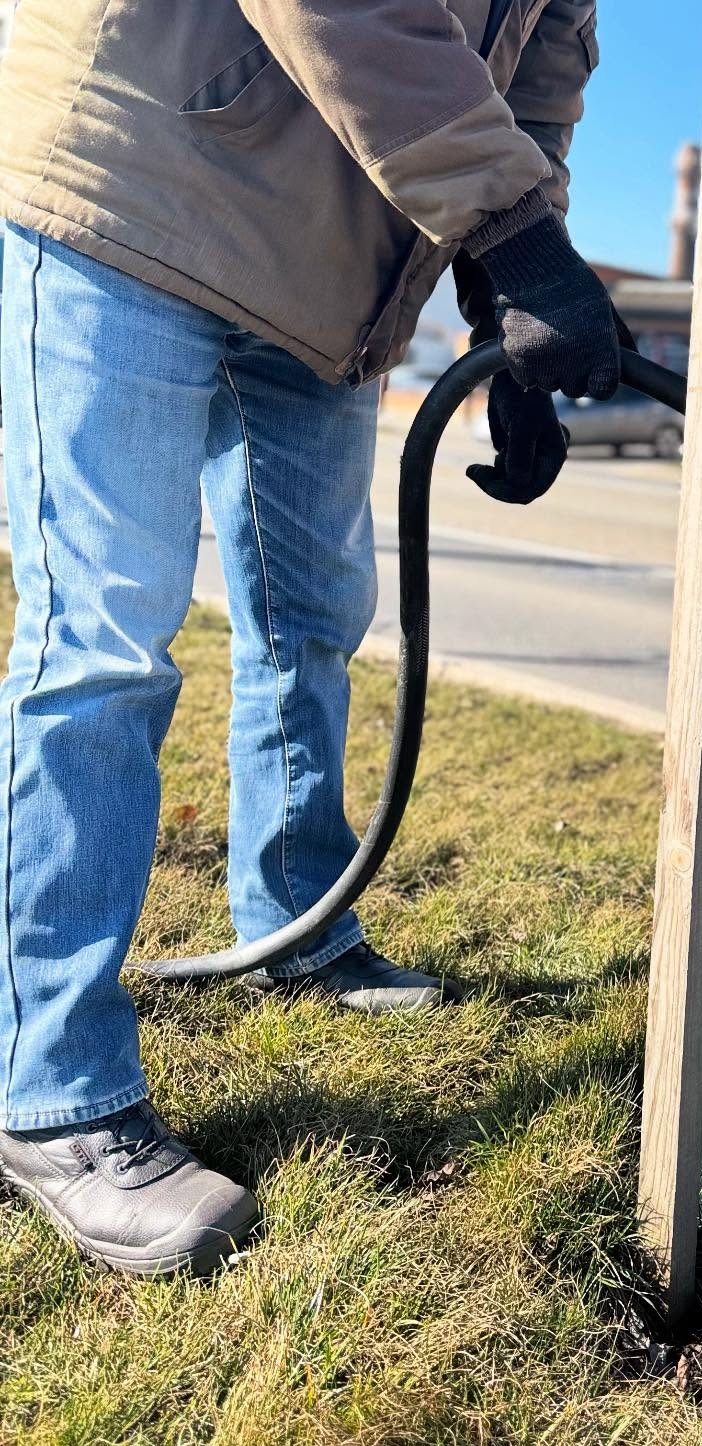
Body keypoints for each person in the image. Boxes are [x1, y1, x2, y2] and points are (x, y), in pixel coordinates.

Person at [0, 0, 621, 1276]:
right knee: (103, 637)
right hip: (134, 170)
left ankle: (294, 922)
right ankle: (51, 1091)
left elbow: (541, 61)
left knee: (314, 616)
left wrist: (513, 280)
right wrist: (510, 231)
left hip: (335, 251)